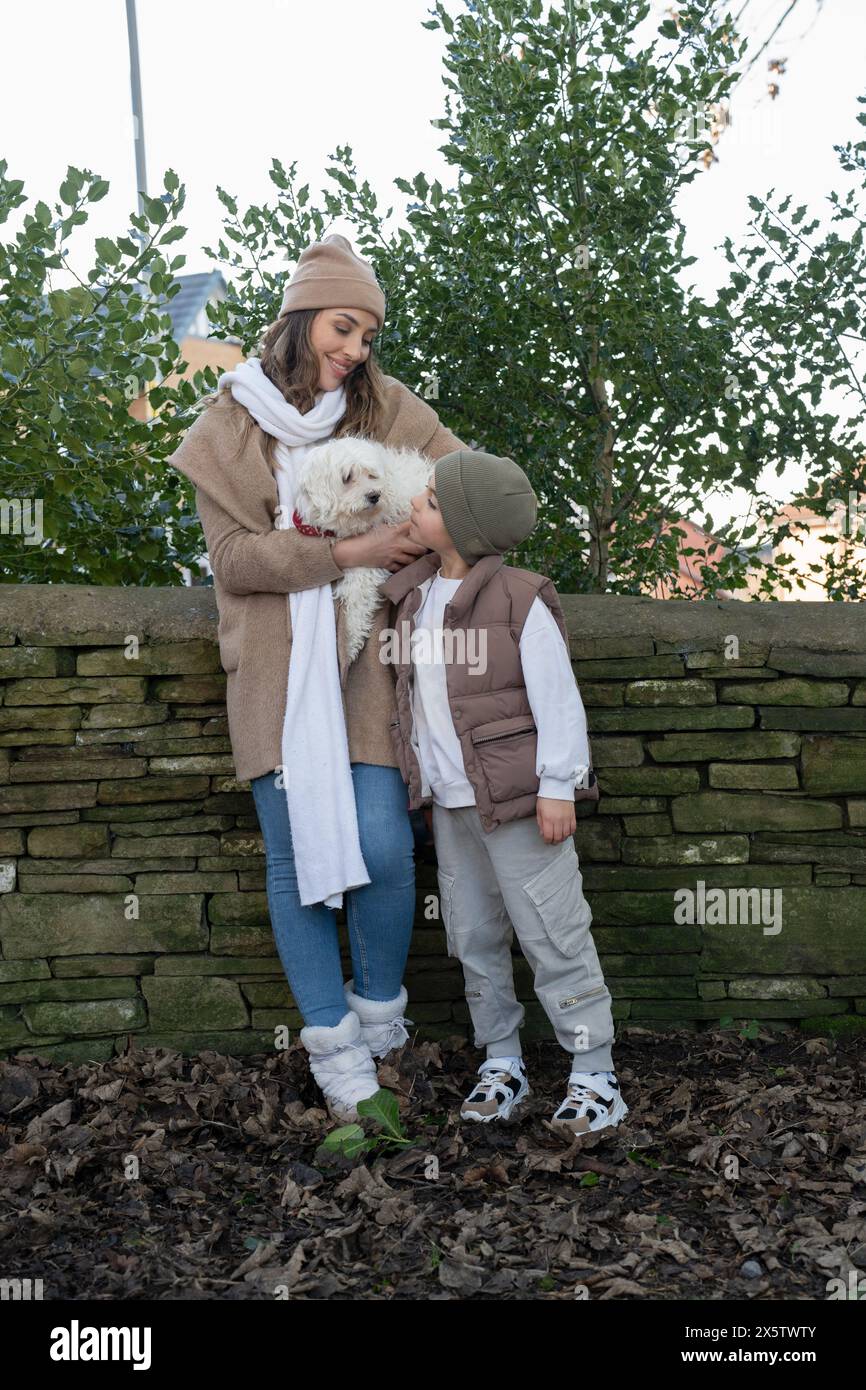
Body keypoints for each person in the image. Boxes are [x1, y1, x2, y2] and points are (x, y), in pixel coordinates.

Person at [167, 234, 470, 1124]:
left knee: (384, 847)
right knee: (297, 861)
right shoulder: (226, 427)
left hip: (367, 668)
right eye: (345, 327)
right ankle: (337, 1054)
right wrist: (344, 552)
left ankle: (382, 1022)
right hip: (272, 669)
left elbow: (471, 483)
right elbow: (233, 562)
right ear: (302, 320)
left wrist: (415, 543)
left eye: (369, 334)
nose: (356, 349)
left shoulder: (385, 406)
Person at [378, 450, 629, 1137]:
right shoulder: (412, 597)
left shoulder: (520, 597)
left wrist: (558, 787)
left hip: (520, 804)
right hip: (450, 806)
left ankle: (594, 1073)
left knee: (552, 932)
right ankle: (503, 1061)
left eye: (428, 502)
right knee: (473, 935)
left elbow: (559, 701)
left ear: (463, 524)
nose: (414, 509)